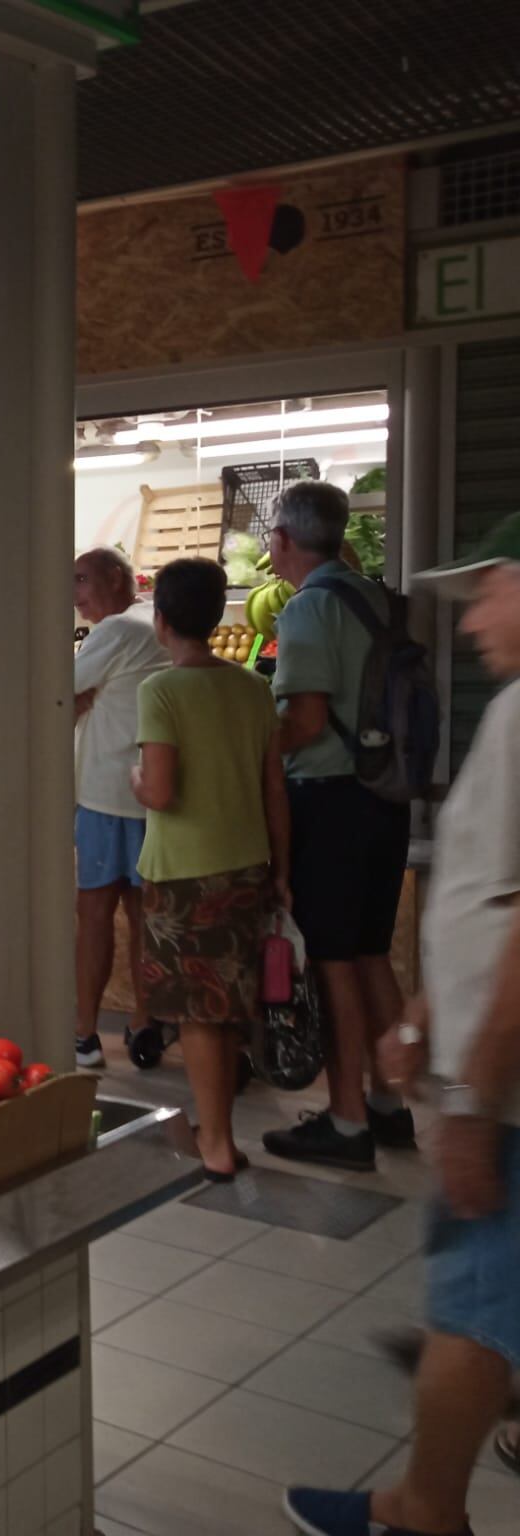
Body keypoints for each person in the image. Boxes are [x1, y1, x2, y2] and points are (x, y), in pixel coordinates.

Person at [283, 513, 520, 1536]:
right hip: (480, 1063)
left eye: (489, 591)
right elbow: (484, 894)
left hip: (503, 1093)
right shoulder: (494, 699)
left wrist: (467, 1101)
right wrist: (420, 1018)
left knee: (474, 1299)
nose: (470, 622)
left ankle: (423, 1513)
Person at [260, 480, 412, 1172]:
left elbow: (307, 720)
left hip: (330, 799)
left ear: (282, 539)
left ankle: (347, 1121)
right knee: (372, 951)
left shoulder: (310, 607)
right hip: (385, 793)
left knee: (333, 959)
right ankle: (390, 1103)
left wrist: (254, 749)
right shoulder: (374, 597)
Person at [130, 559, 289, 1180]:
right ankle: (218, 1131)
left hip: (183, 873)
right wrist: (281, 869)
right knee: (227, 1008)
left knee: (197, 1012)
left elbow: (160, 791)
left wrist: (135, 777)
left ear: (161, 621)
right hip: (246, 863)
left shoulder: (161, 691)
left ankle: (216, 1144)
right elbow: (274, 789)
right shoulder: (252, 689)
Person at [71, 548, 168, 1070]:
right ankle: (143, 1022)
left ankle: (84, 1032)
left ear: (114, 579)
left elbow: (55, 691)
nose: (74, 594)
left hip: (106, 794)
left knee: (94, 915)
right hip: (151, 798)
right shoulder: (151, 624)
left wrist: (78, 701)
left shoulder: (115, 630)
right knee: (143, 917)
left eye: (81, 579)